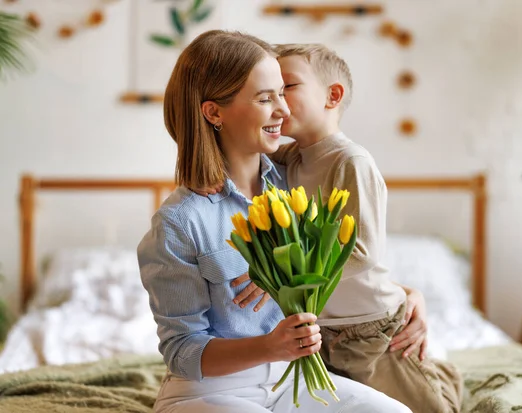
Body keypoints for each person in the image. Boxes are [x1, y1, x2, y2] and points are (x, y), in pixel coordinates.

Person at [137, 30, 412, 413]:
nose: (283, 110)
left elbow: (336, 261)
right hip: (210, 391)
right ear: (214, 112)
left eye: (283, 93)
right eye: (266, 98)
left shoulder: (293, 184)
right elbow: (182, 352)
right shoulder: (180, 221)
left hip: (290, 383)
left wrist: (412, 298)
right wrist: (270, 346)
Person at [231, 43, 463, 413]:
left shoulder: (350, 161)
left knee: (431, 407)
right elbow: (235, 141)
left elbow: (362, 252)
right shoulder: (289, 159)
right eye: (270, 92)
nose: (278, 100)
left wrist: (279, 279)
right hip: (323, 328)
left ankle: (444, 374)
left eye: (287, 87)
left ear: (332, 95)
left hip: (369, 327)